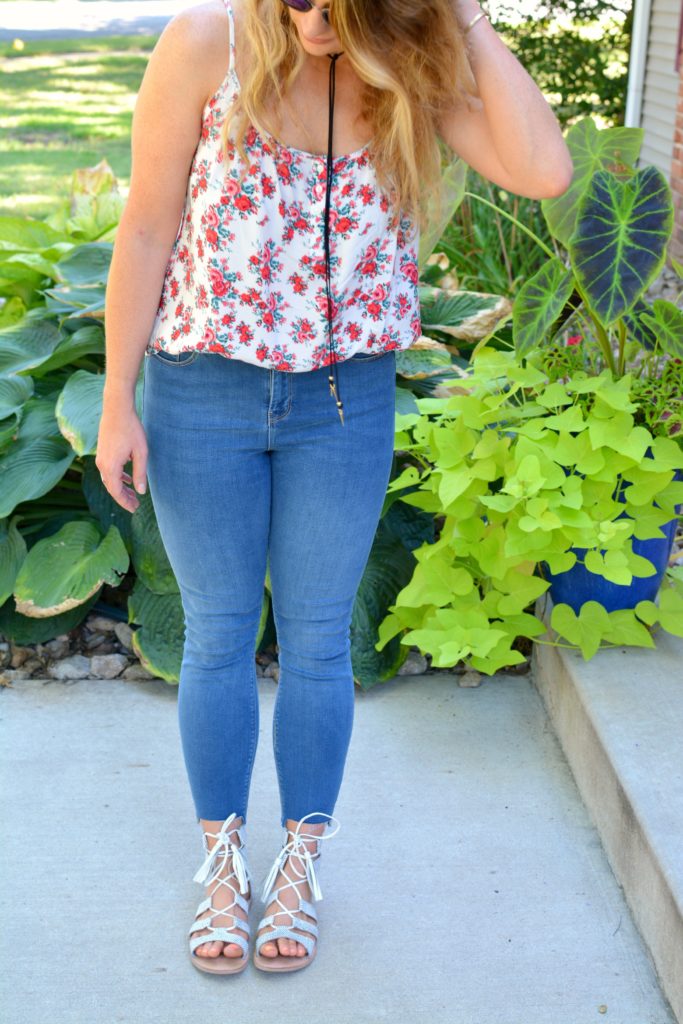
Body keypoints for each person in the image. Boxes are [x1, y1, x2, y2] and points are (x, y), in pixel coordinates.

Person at [96, 0, 573, 976]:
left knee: (318, 643)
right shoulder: (203, 44)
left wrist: (464, 19)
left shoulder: (406, 64)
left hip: (342, 401)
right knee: (219, 633)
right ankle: (223, 867)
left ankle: (301, 860)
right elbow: (146, 226)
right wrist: (114, 398)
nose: (315, 17)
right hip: (201, 390)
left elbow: (542, 170)